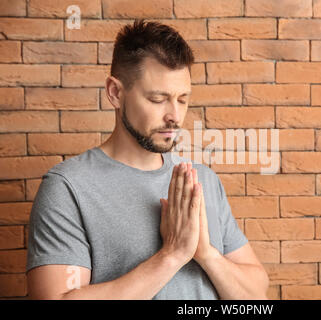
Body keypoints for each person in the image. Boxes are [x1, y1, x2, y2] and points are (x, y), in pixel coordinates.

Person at [26, 19, 269, 300]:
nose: (174, 116)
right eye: (157, 99)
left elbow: (257, 295)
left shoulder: (202, 180)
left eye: (182, 99)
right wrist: (172, 255)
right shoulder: (69, 188)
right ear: (116, 93)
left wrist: (207, 255)